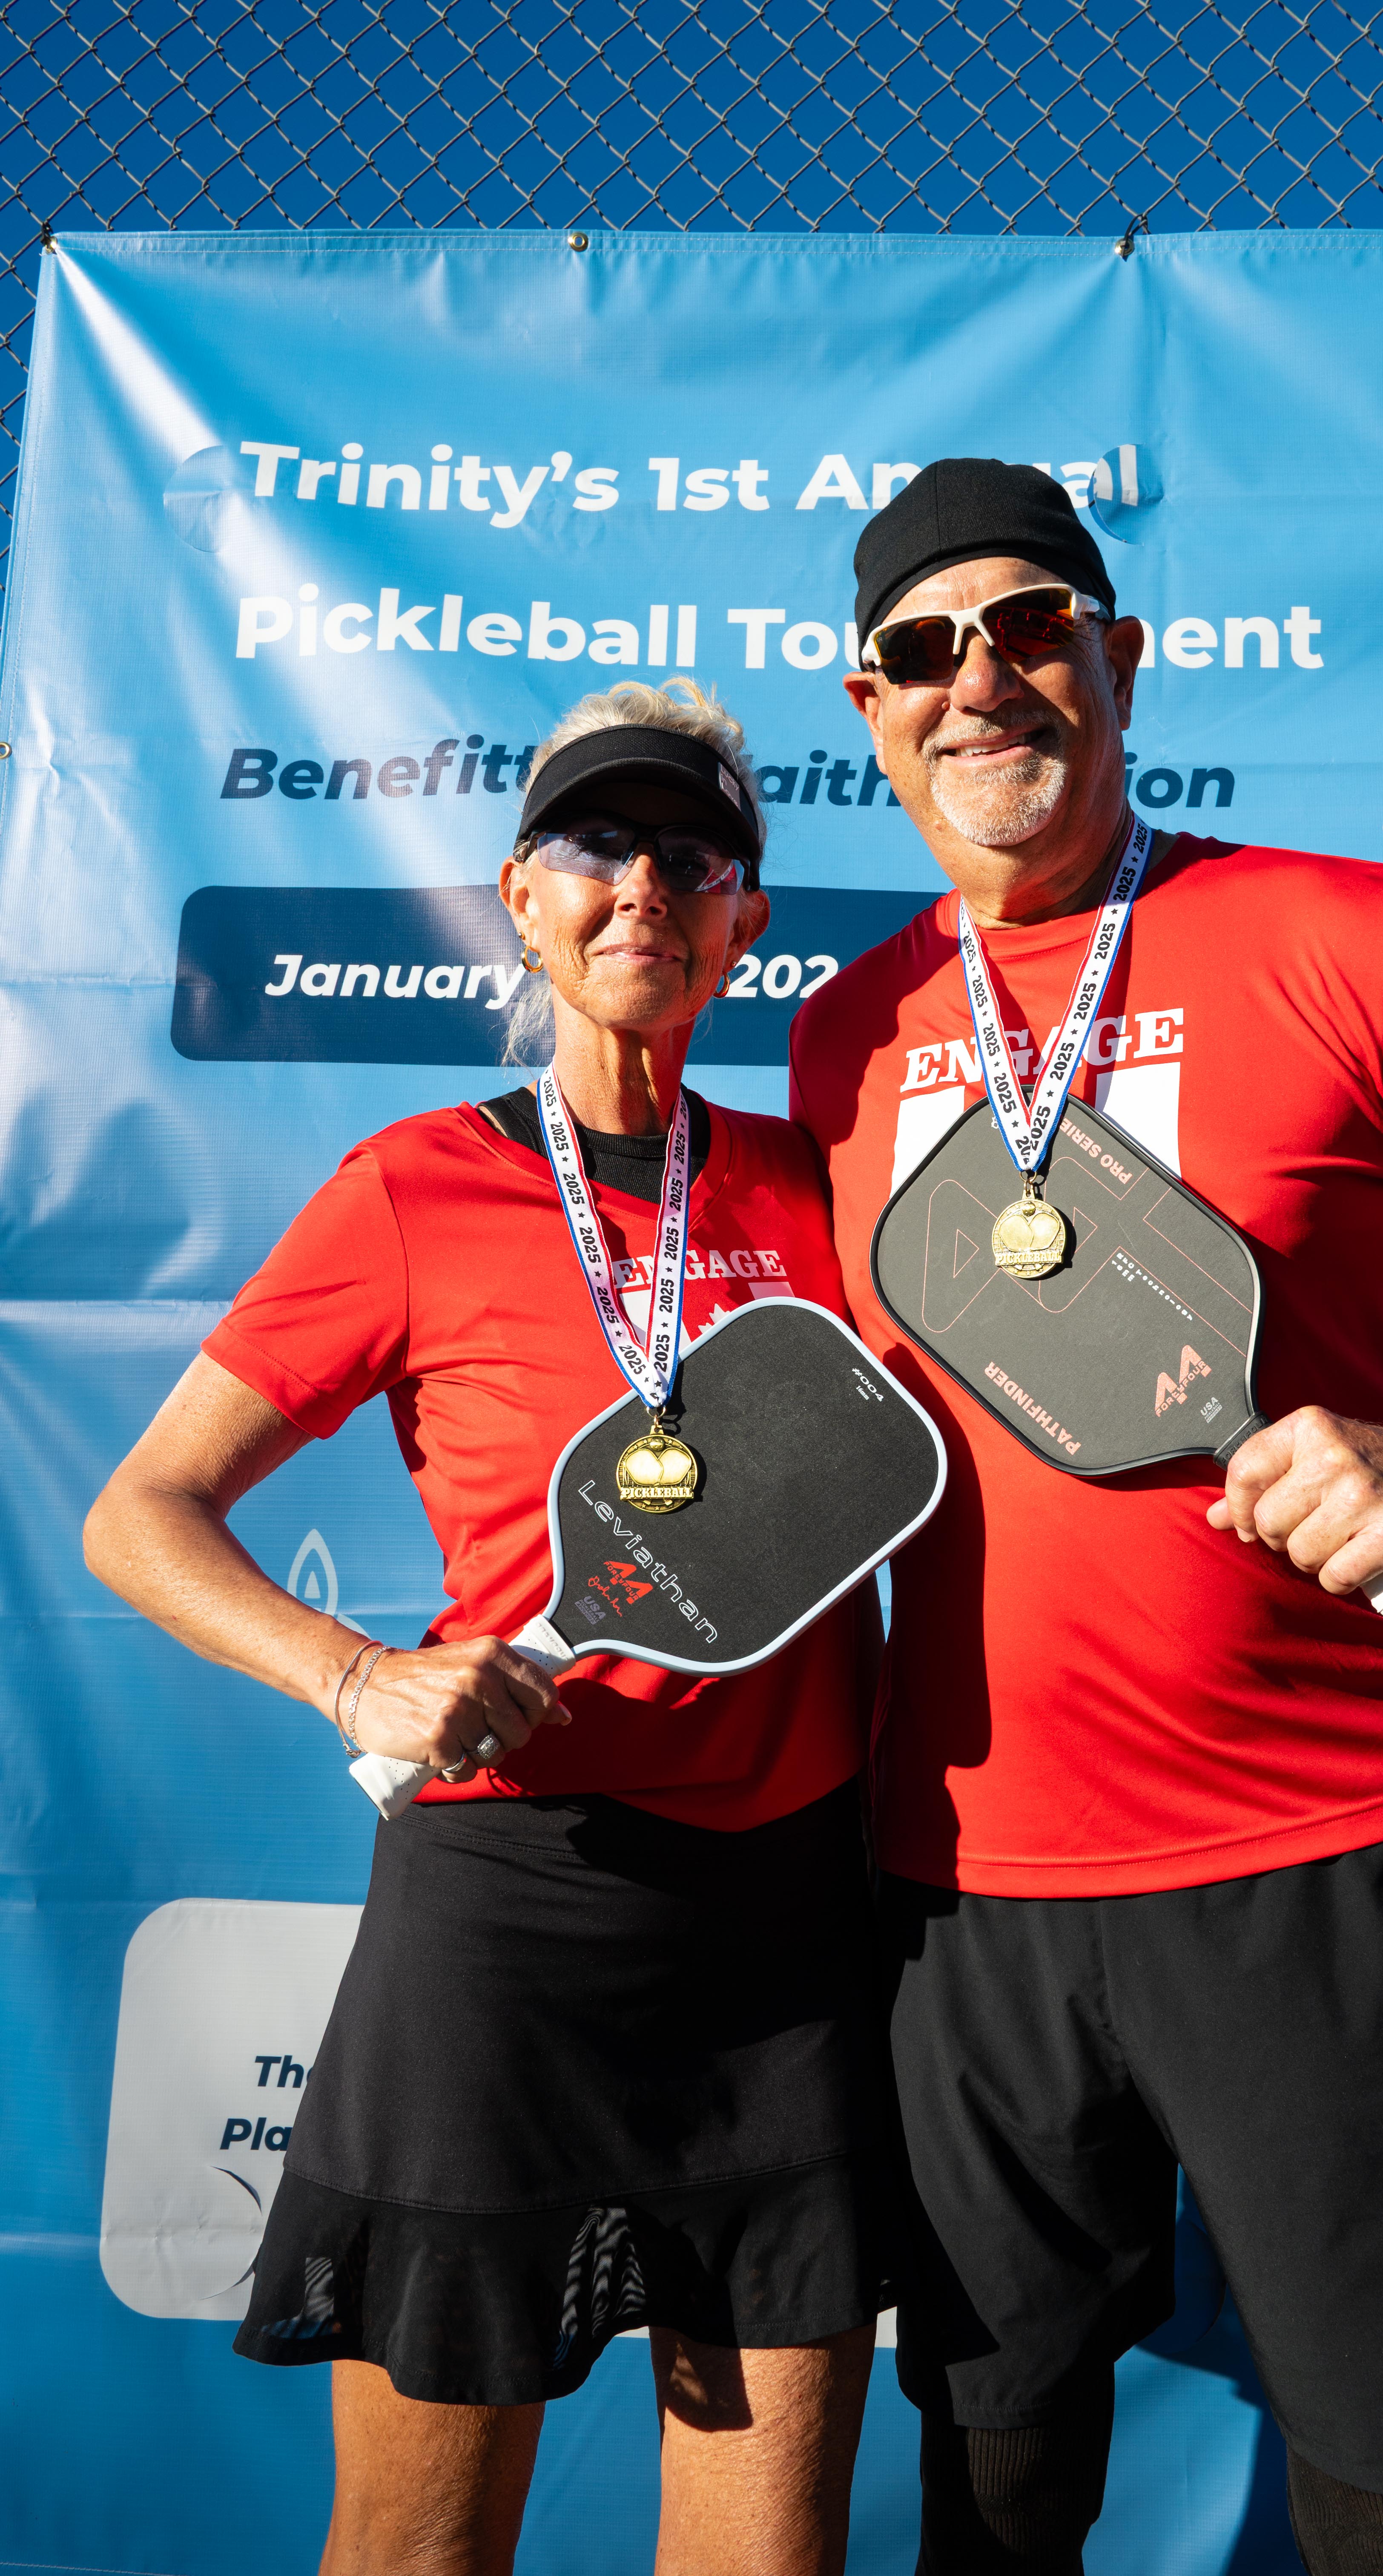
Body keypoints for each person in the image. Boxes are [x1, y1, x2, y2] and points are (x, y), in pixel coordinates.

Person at [788, 459, 1383, 2576]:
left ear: (1119, 660)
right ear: (871, 711)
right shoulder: (847, 1036)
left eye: (1033, 628)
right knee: (996, 2479)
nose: (982, 682)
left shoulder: (1342, 932)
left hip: (1322, 1858)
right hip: (959, 1890)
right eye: (925, 652)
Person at [85, 681, 886, 2576]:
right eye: (597, 851)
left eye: (694, 858)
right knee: (420, 2553)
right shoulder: (411, 1187)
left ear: (747, 921)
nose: (643, 891)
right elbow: (142, 1514)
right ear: (519, 899)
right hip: (509, 1924)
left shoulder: (824, 1187)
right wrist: (359, 1674)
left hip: (789, 1928)